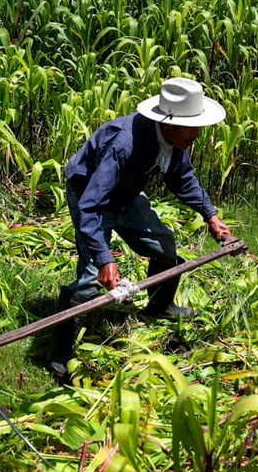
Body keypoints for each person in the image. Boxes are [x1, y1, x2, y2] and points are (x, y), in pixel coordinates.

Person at [47, 77, 231, 379]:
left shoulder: (176, 140)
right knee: (91, 279)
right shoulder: (124, 144)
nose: (197, 134)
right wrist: (104, 258)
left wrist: (210, 215)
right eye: (191, 127)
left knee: (165, 247)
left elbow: (182, 178)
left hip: (127, 195)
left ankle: (160, 306)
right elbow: (91, 205)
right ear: (169, 124)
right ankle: (59, 355)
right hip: (90, 195)